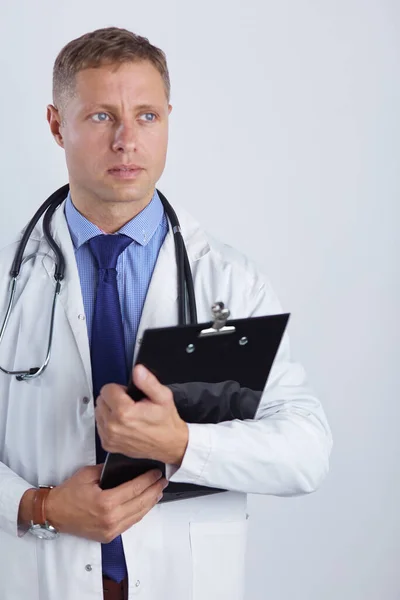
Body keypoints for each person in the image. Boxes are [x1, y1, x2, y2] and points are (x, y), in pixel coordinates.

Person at [0, 26, 332, 600]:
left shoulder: (229, 281)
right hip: (38, 577)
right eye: (103, 117)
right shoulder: (10, 283)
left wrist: (183, 445)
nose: (128, 140)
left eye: (147, 116)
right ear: (57, 125)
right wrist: (37, 505)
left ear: (169, 119)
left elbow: (306, 452)